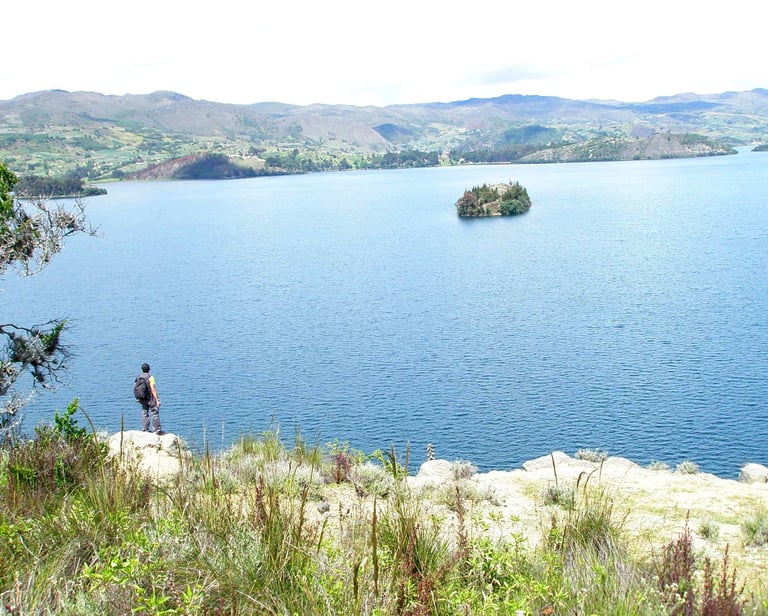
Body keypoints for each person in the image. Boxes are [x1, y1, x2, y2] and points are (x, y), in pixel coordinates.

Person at [136, 362, 164, 435]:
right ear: (149, 369)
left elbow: (136, 388)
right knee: (155, 412)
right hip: (150, 398)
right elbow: (153, 389)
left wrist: (138, 398)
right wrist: (157, 400)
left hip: (142, 397)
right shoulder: (150, 377)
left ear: (142, 369)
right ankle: (157, 430)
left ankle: (145, 429)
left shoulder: (138, 377)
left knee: (145, 412)